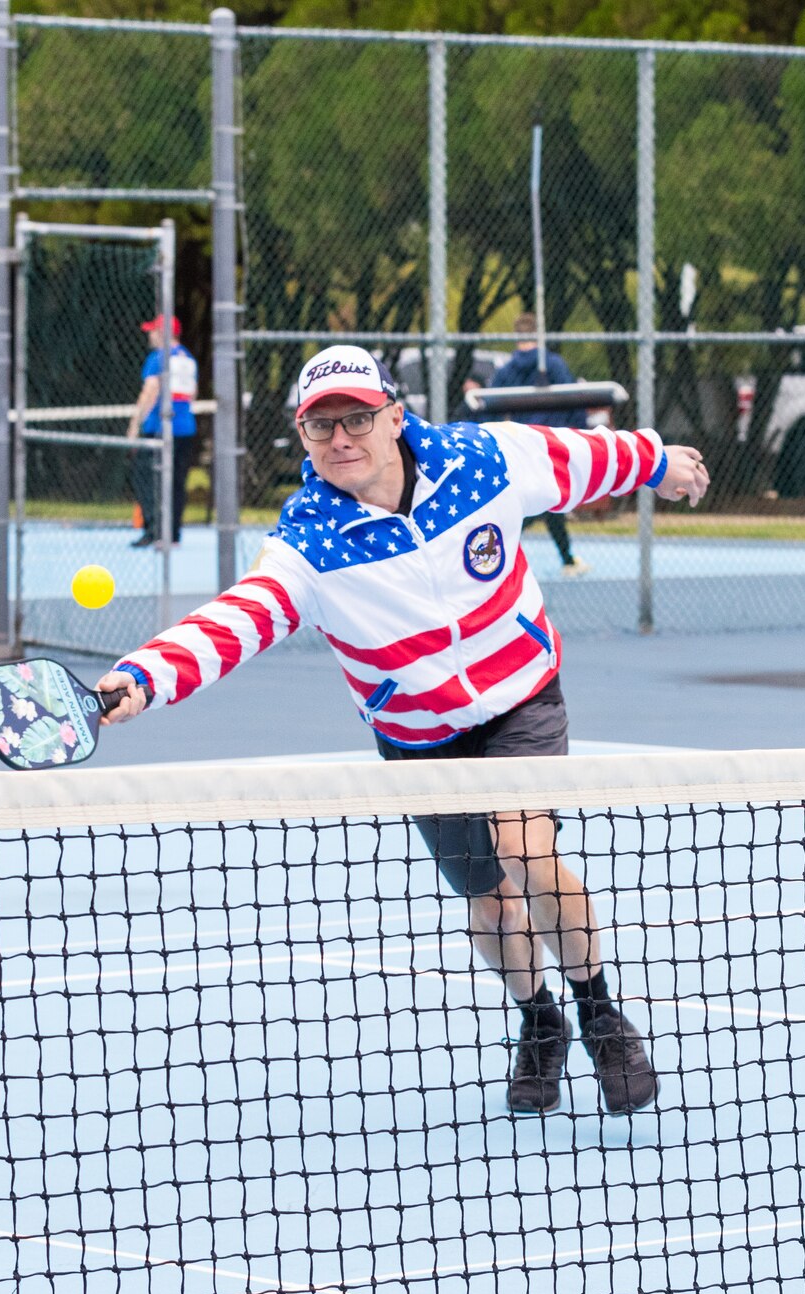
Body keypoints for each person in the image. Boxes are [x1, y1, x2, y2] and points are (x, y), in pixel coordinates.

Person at [95, 344, 711, 1115]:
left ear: (394, 416)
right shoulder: (307, 541)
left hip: (521, 697)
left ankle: (600, 1016)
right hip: (420, 738)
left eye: (357, 418)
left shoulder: (482, 459)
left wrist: (658, 462)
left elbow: (577, 456)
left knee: (526, 849)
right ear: (304, 437)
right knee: (490, 901)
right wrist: (144, 679)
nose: (341, 438)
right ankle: (539, 1022)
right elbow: (237, 619)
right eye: (321, 427)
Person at [487, 312, 592, 576]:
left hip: (518, 444)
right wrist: (575, 434)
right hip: (549, 444)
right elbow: (575, 402)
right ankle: (498, 548)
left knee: (544, 501)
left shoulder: (507, 370)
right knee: (543, 502)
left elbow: (489, 409)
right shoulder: (555, 365)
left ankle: (565, 558)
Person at [128, 315, 200, 548]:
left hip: (159, 428)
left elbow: (151, 389)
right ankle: (173, 534)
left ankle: (154, 529)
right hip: (185, 428)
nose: (150, 335)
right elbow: (193, 393)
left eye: (153, 331)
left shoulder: (159, 357)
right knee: (176, 482)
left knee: (148, 477)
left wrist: (135, 424)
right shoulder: (188, 359)